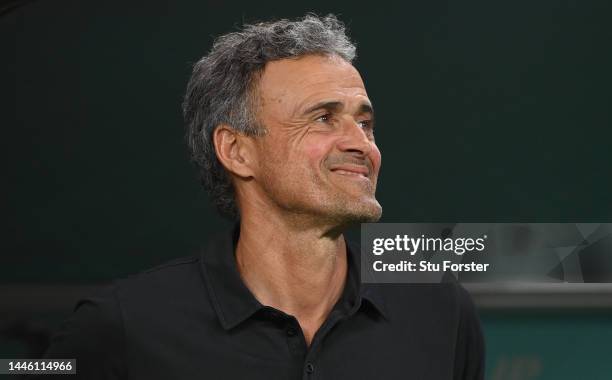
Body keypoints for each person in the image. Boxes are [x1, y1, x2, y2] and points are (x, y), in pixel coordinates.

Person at [41, 14, 485, 379]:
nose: (361, 144)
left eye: (364, 123)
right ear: (236, 151)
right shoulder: (120, 325)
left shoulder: (441, 312)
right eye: (324, 118)